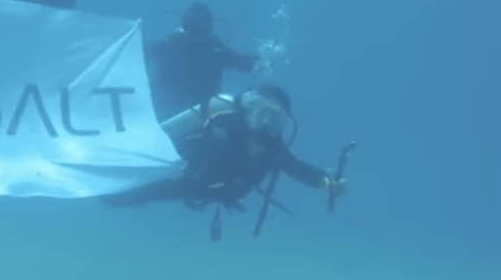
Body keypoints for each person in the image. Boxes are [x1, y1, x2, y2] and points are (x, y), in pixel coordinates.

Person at [102, 84, 347, 239]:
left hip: (215, 192)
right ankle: (98, 189)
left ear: (284, 122)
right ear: (251, 108)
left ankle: (105, 192)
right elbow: (168, 138)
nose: (265, 121)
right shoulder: (226, 124)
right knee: (126, 196)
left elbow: (298, 169)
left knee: (138, 195)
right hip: (186, 182)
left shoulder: (275, 150)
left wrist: (327, 182)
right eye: (262, 112)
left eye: (275, 118)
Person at [145, 3, 261, 122]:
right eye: (194, 26)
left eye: (201, 27)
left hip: (195, 113)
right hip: (172, 108)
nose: (197, 31)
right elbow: (248, 64)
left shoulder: (214, 50)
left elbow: (247, 64)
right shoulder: (173, 44)